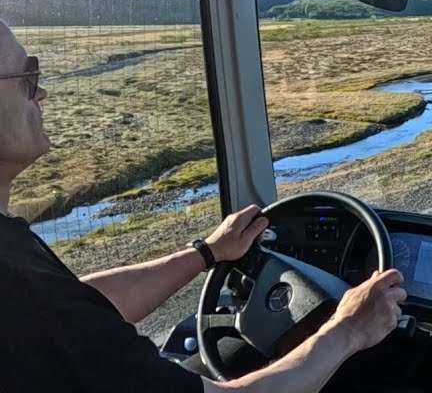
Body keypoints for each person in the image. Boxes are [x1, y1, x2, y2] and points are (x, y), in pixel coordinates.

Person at [0, 20, 409, 393]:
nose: (42, 91)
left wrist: (206, 253)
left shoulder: (20, 267)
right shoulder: (17, 284)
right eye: (27, 76)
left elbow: (76, 306)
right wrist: (349, 330)